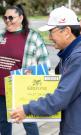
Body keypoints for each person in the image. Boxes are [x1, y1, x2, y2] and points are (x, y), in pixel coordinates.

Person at [11, 6, 81, 135]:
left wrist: (27, 109)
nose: (49, 37)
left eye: (51, 32)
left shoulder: (80, 58)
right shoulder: (72, 54)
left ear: (67, 31)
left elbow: (61, 98)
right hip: (80, 125)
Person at [0, 4, 50, 135]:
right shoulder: (1, 36)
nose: (7, 21)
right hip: (1, 89)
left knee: (29, 122)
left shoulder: (32, 37)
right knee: (3, 122)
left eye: (11, 17)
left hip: (22, 89)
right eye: (5, 17)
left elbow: (45, 65)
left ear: (21, 18)